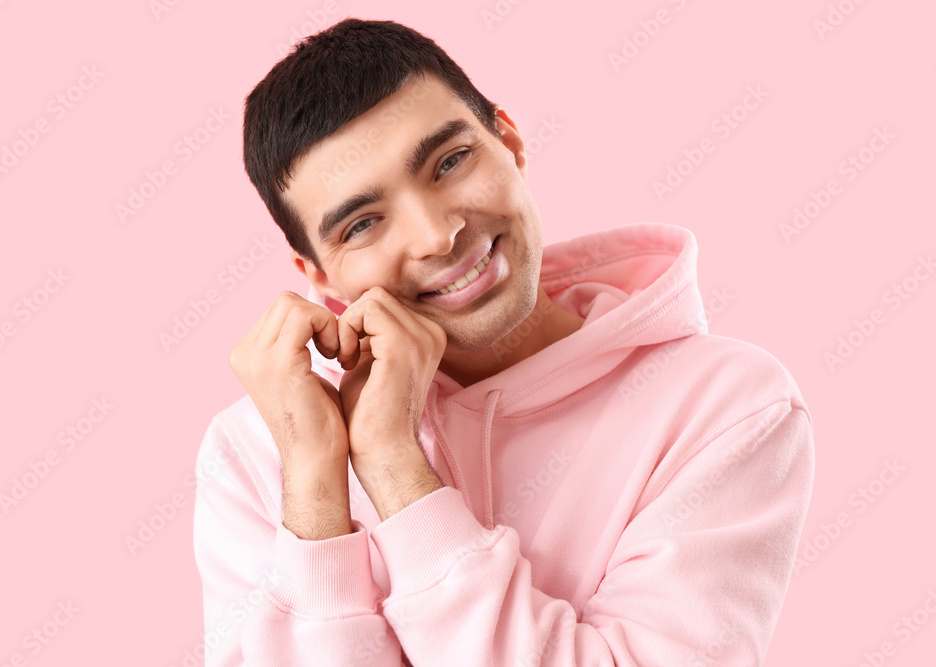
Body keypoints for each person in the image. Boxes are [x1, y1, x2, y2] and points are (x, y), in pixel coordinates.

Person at [192, 17, 814, 667]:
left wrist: (395, 468)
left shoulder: (727, 407)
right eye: (363, 223)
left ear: (508, 140)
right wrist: (317, 493)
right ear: (320, 275)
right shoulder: (256, 453)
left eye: (449, 162)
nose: (436, 235)